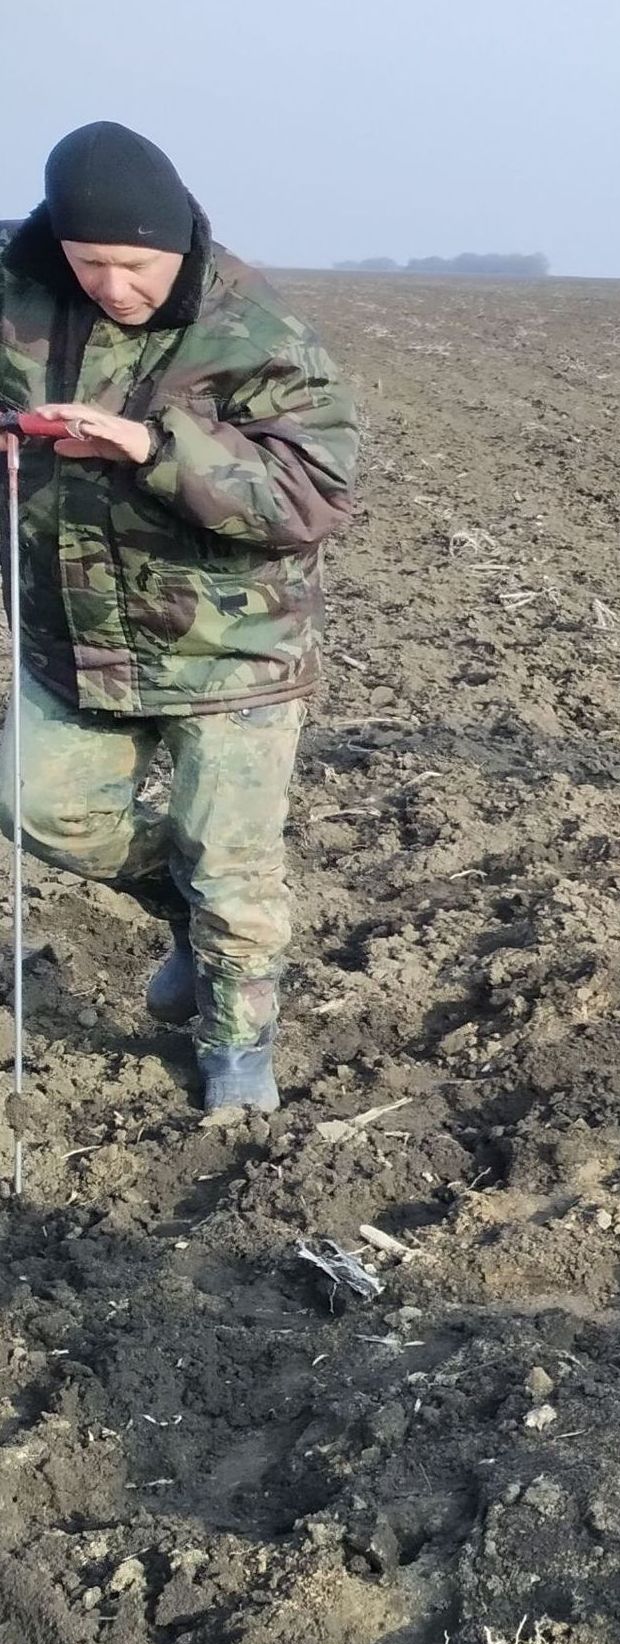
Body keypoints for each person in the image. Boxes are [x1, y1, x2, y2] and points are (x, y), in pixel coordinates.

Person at [1, 122, 359, 1111]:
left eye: (137, 266)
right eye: (91, 263)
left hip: (231, 647)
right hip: (73, 635)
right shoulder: (15, 294)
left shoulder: (255, 328)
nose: (114, 286)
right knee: (35, 805)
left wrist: (154, 449)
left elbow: (311, 493)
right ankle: (191, 923)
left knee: (230, 862)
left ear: (178, 243)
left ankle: (238, 1054)